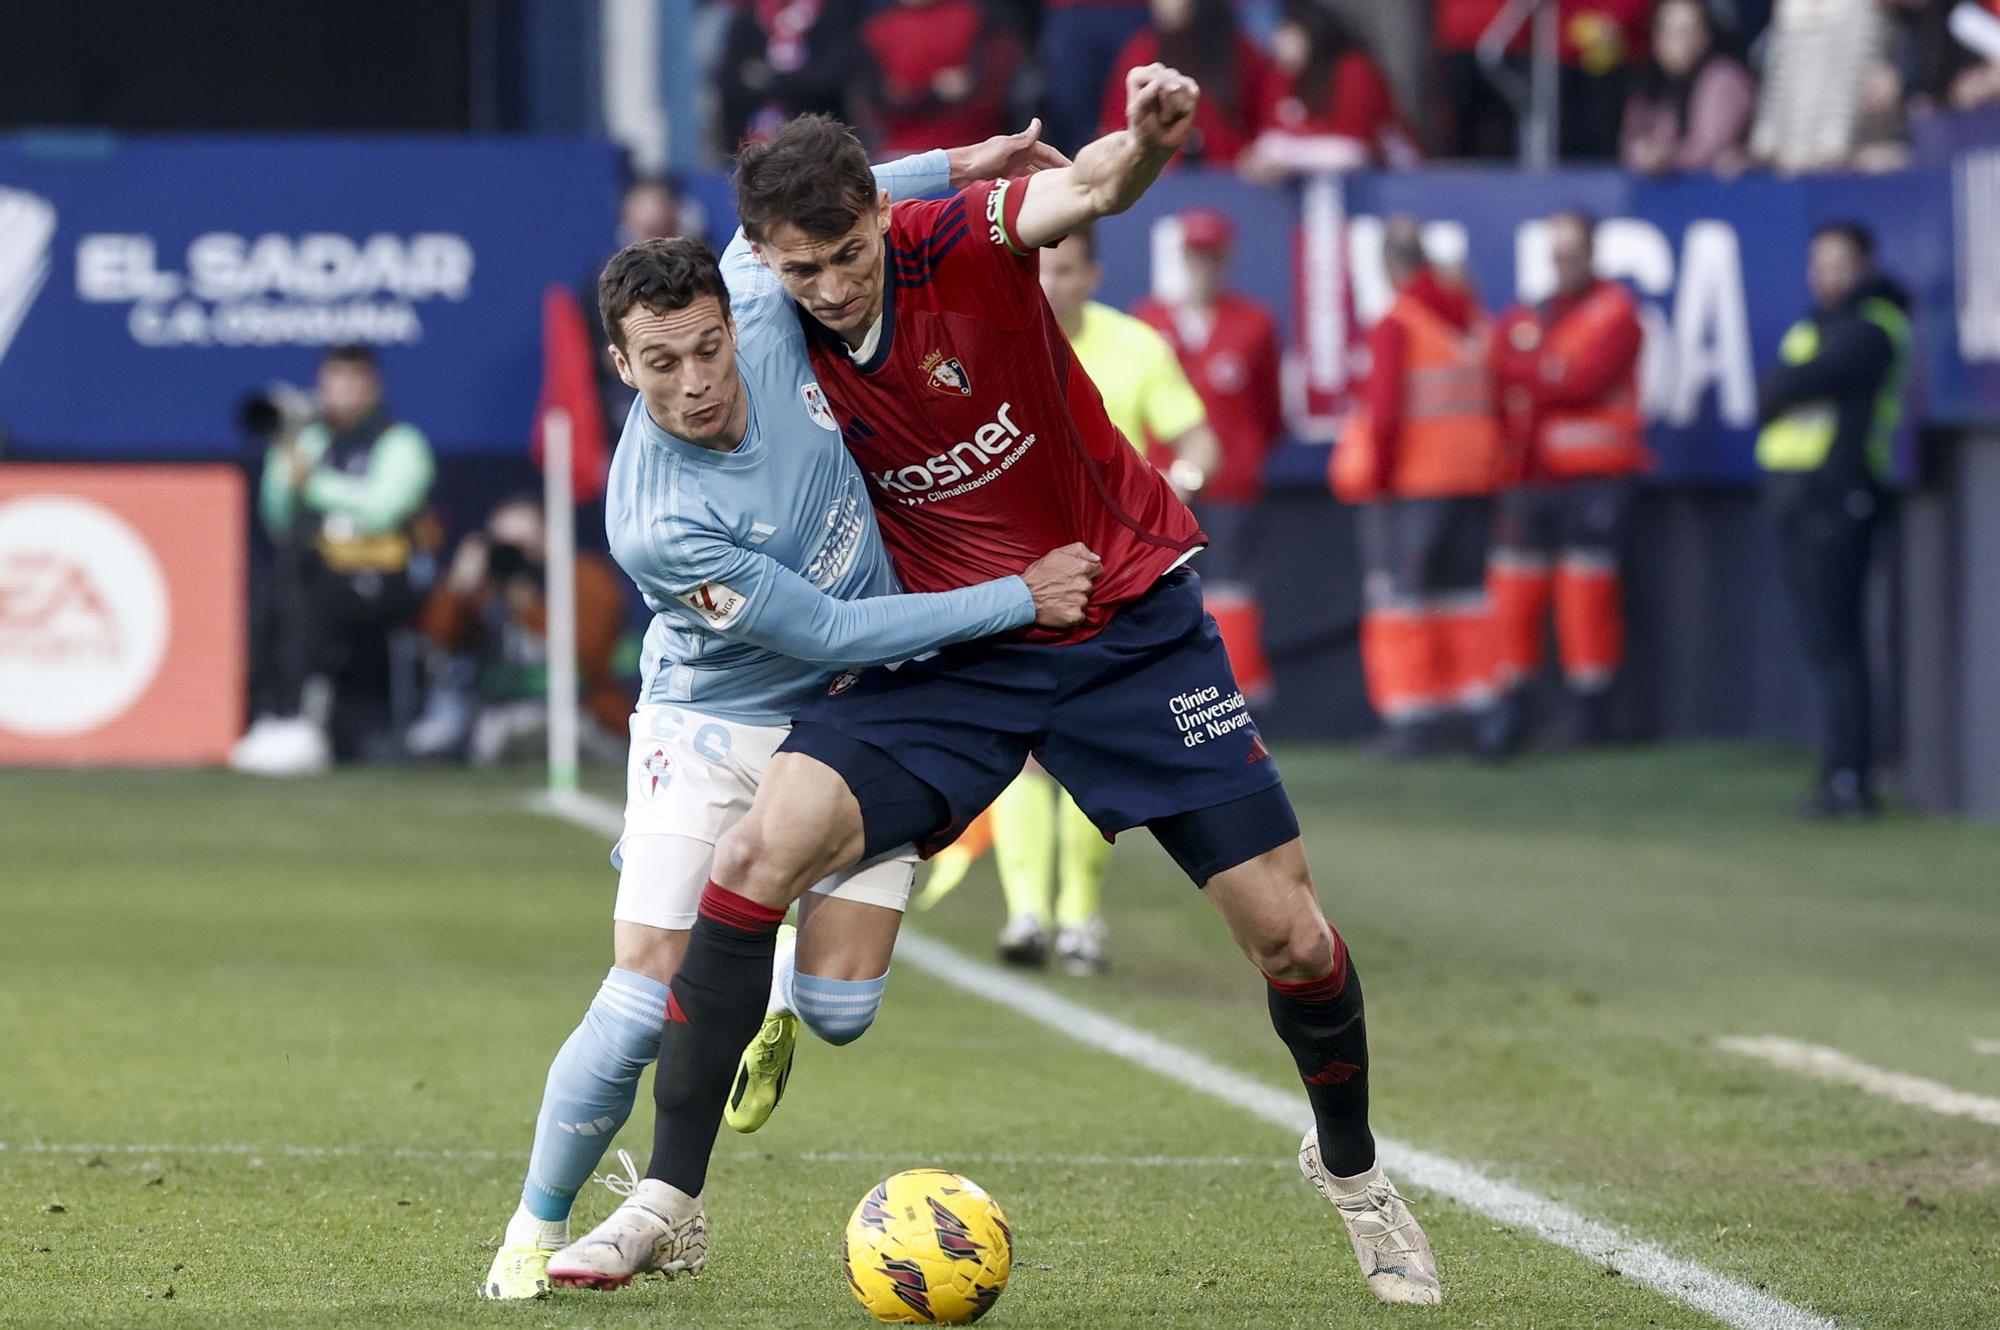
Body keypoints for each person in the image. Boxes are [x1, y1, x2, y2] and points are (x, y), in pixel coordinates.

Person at [550, 67, 1442, 1308]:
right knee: (755, 856)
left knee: (1289, 935)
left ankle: (1351, 1174)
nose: (829, 289)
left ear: (875, 219)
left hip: (1121, 617)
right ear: (766, 260)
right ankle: (668, 1199)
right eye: (800, 271)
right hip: (950, 648)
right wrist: (1012, 595)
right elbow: (803, 575)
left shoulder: (948, 241)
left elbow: (1077, 188)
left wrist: (1143, 144)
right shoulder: (759, 305)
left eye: (845, 256)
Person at [478, 133, 1092, 1301]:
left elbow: (843, 206)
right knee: (639, 996)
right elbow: (820, 631)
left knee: (842, 1009)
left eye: (707, 348)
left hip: (863, 706)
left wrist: (972, 161)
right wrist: (1017, 596)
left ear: (732, 310)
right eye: (661, 363)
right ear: (622, 364)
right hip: (714, 716)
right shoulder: (652, 518)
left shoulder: (761, 295)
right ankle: (533, 1222)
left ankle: (760, 984)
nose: (697, 381)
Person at [975, 220, 1220, 975]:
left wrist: (1182, 482)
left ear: (1093, 276)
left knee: (1085, 753)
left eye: (1069, 270)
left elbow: (1198, 437)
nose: (1054, 284)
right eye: (1042, 269)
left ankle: (1078, 918)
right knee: (1020, 752)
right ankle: (1025, 916)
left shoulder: (1137, 347)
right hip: (1019, 572)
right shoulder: (991, 346)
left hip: (1114, 578)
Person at [1331, 218, 1506, 759]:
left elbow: (1384, 417)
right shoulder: (1473, 321)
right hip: (1474, 482)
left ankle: (1413, 724)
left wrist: (1377, 481)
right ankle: (1479, 717)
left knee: (1400, 604)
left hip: (1412, 486)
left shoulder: (1399, 322)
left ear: (1388, 267)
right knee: (1465, 600)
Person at [1755, 221, 1909, 819]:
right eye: (1819, 263)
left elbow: (1799, 381)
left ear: (1864, 266)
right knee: (1824, 646)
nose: (1827, 276)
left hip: (1841, 499)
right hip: (1802, 501)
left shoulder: (1872, 327)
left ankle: (1852, 780)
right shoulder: (1815, 326)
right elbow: (1773, 391)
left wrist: (1787, 388)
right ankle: (1837, 771)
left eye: (1840, 264)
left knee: (1841, 646)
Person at [1485, 210, 1649, 751]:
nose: (1563, 262)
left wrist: (1531, 371)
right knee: (1516, 595)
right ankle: (1516, 708)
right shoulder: (1529, 314)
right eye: (1556, 252)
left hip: (1594, 477)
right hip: (1528, 477)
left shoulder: (1616, 312)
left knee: (1587, 595)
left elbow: (1584, 382)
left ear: (1592, 253)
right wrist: (1543, 371)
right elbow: (1499, 365)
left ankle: (1592, 715)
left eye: (1573, 250)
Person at [230, 344, 436, 775]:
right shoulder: (311, 438)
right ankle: (274, 714)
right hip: (317, 574)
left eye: (352, 381)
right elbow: (278, 518)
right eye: (333, 381)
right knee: (283, 579)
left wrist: (315, 484)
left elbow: (383, 508)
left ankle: (300, 715)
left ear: (372, 386)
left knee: (305, 584)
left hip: (385, 574)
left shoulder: (399, 441)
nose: (341, 393)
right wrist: (283, 453)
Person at [1132, 207, 1283, 702]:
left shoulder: (1254, 323)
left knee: (1234, 589)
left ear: (1227, 258)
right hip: (1162, 487)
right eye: (1196, 254)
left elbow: (1269, 408)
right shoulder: (1148, 323)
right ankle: (1172, 694)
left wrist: (1247, 456)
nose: (1204, 265)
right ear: (1181, 256)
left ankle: (1235, 696)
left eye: (1212, 255)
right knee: (1163, 591)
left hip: (1232, 484)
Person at [406, 497, 631, 763]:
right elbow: (439, 643)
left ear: (547, 534)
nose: (514, 555)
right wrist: (459, 588)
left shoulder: (584, 576)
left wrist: (529, 605)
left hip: (579, 715)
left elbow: (590, 655)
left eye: (522, 544)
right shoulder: (485, 588)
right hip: (496, 716)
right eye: (504, 546)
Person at [1241, 0, 1418, 179]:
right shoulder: (1281, 75)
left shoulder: (1354, 71)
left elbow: (1351, 152)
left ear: (1311, 34)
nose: (1277, 42)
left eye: (1288, 33)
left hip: (1395, 181)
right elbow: (1271, 140)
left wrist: (1283, 158)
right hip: (1323, 188)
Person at [1098, 0, 1282, 168]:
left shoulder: (1240, 52)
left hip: (1230, 177)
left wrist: (1257, 154)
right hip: (1157, 179)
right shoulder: (1142, 51)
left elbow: (1268, 120)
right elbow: (1116, 127)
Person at [857, 0, 1022, 156]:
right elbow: (875, 102)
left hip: (971, 146)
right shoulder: (878, 30)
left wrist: (913, 95)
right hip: (901, 150)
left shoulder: (975, 19)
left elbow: (990, 89)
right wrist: (935, 92)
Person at [1620, 0, 1757, 176]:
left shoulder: (1724, 78)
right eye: (1667, 29)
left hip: (1720, 195)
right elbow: (1630, 142)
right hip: (1661, 196)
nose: (1676, 39)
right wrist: (1641, 154)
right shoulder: (1650, 82)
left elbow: (1708, 149)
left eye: (1686, 30)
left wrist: (1665, 157)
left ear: (1706, 35)